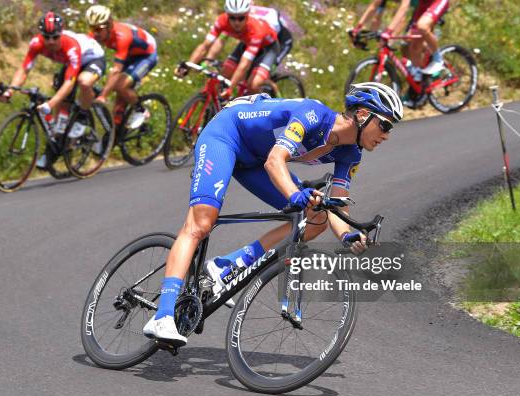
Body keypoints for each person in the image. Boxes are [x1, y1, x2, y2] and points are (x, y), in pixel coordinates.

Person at [142, 82, 403, 346]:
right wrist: (294, 195)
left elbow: (335, 204)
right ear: (361, 115)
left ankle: (227, 265)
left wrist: (348, 234)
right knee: (201, 223)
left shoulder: (352, 154)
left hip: (255, 159)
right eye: (385, 125)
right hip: (226, 135)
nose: (387, 135)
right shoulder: (312, 114)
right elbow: (275, 160)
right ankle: (162, 316)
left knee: (316, 220)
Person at [0, 11, 106, 168]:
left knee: (82, 82)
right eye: (46, 37)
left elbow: (69, 83)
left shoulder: (71, 46)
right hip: (70, 63)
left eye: (55, 37)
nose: (50, 41)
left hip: (91, 59)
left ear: (61, 34)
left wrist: (50, 105)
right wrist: (10, 90)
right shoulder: (36, 43)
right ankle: (56, 147)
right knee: (62, 105)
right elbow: (24, 70)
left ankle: (83, 116)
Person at [351, 0, 449, 106]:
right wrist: (357, 28)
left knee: (422, 27)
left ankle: (438, 60)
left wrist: (389, 32)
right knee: (407, 47)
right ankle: (420, 84)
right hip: (422, 5)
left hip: (437, 2)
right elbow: (374, 8)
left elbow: (403, 12)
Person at [174, 0, 279, 99]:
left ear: (247, 16)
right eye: (232, 18)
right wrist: (187, 67)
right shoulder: (222, 21)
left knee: (253, 84)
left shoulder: (256, 30)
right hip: (247, 44)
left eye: (241, 18)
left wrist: (230, 88)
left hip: (268, 48)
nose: (236, 22)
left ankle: (261, 111)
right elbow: (205, 46)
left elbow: (244, 64)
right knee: (224, 76)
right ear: (227, 15)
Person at [85, 5, 158, 128]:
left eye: (99, 29)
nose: (95, 33)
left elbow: (116, 70)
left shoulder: (122, 36)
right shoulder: (95, 34)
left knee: (120, 85)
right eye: (92, 28)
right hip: (130, 54)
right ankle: (117, 132)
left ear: (109, 25)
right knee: (117, 109)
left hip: (146, 55)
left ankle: (141, 110)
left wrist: (103, 96)